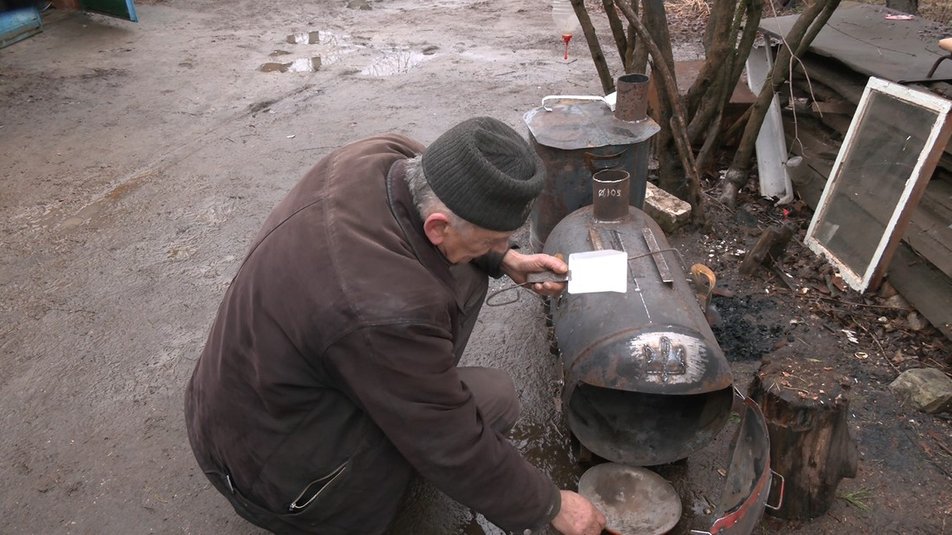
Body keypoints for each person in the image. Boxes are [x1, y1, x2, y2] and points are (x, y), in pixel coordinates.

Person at [184, 116, 607, 535]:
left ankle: (411, 384)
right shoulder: (384, 308)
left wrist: (503, 258)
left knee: (466, 275)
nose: (502, 247)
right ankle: (345, 508)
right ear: (438, 228)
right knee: (495, 399)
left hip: (239, 404)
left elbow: (444, 223)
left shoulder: (383, 156)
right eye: (492, 240)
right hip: (276, 478)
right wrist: (549, 504)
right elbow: (449, 440)